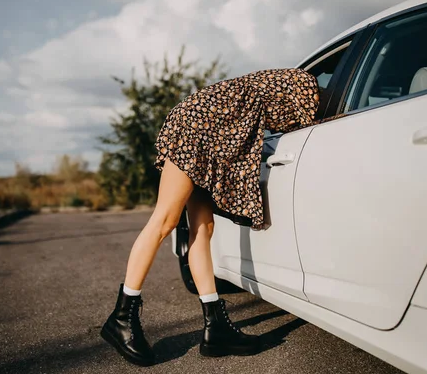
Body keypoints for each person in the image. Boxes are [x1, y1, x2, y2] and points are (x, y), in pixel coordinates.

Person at [100, 67, 320, 366]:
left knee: (203, 228)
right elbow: (295, 125)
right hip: (195, 132)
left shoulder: (262, 90)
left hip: (206, 134)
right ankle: (122, 317)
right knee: (164, 221)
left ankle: (215, 325)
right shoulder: (300, 89)